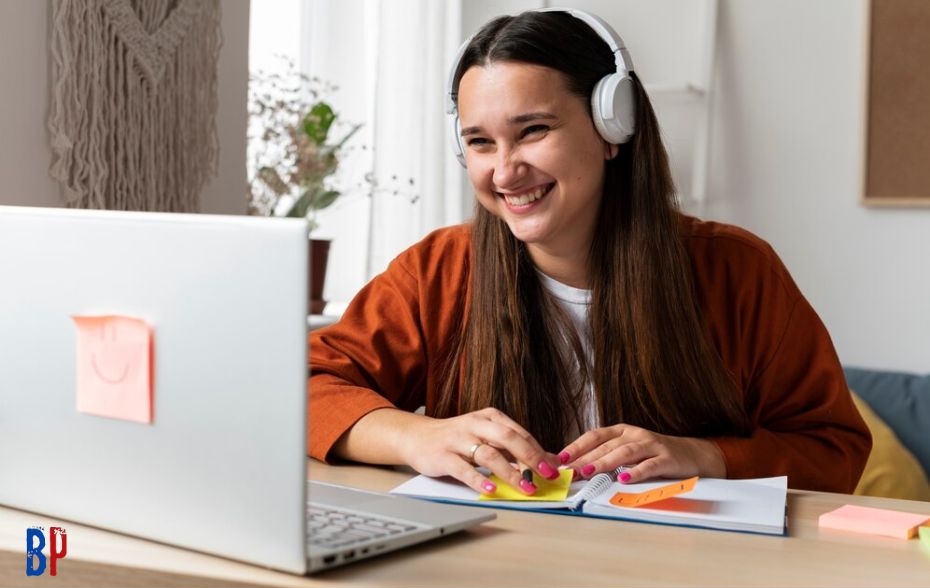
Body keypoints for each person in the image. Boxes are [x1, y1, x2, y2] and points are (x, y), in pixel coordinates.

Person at [308, 8, 870, 497]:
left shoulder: (739, 271)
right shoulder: (438, 271)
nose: (504, 171)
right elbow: (303, 385)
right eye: (480, 141)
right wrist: (416, 435)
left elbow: (832, 449)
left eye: (532, 130)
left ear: (611, 128)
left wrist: (708, 456)